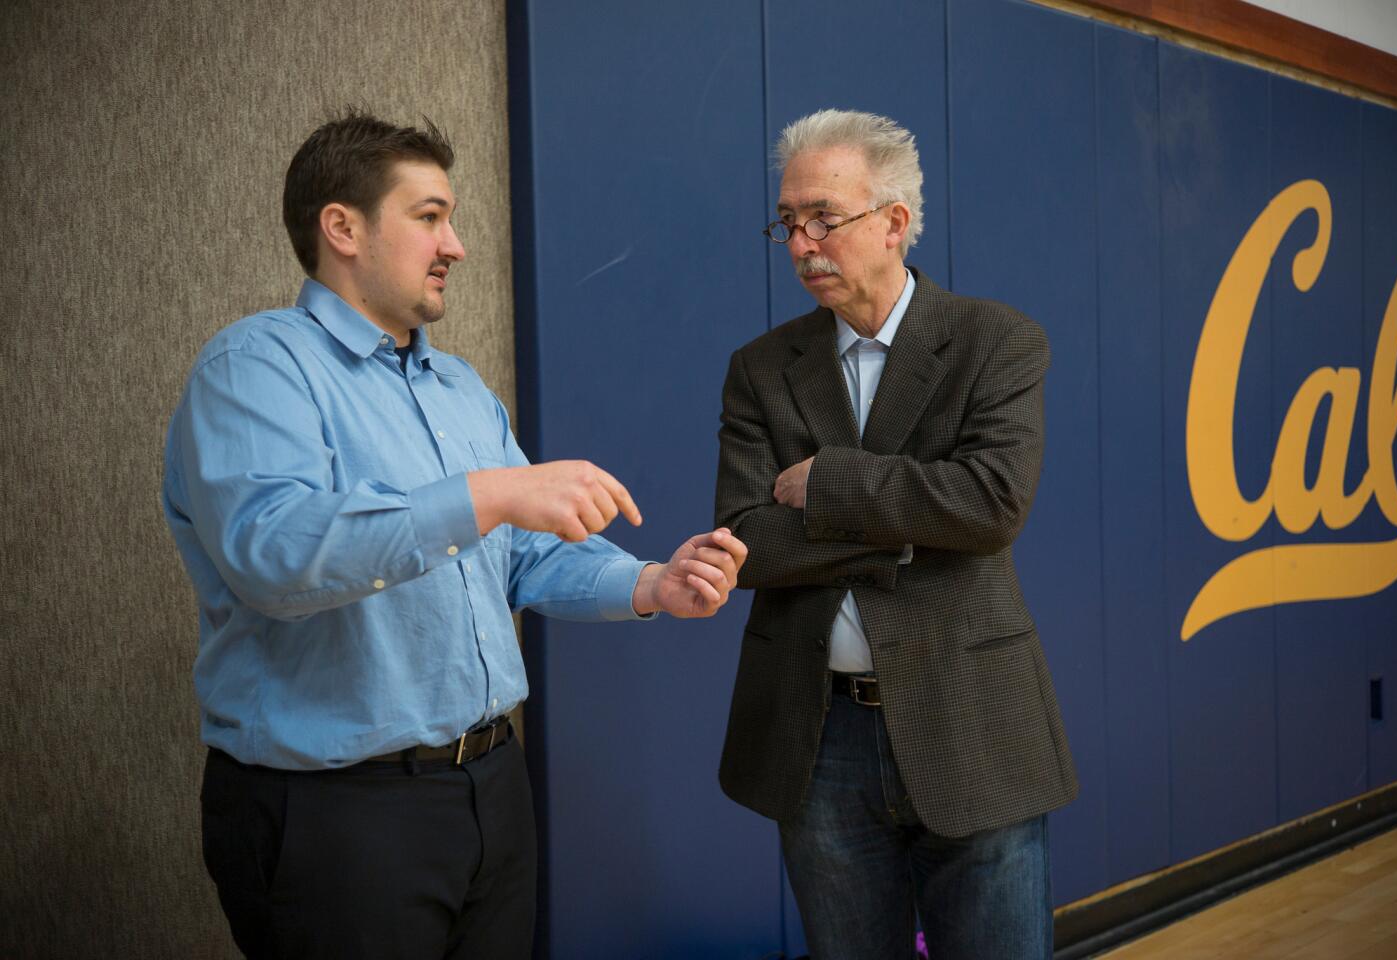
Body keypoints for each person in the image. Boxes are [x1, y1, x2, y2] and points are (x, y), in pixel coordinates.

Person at [163, 111, 747, 960]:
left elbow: (522, 555)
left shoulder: (459, 386)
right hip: (336, 814)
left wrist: (648, 584)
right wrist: (485, 494)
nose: (457, 244)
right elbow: (275, 556)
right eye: (429, 215)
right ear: (343, 228)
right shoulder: (255, 367)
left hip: (489, 792)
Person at [714, 109, 1077, 959]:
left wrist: (828, 486)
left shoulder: (996, 341)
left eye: (823, 219)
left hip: (971, 721)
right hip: (819, 737)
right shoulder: (760, 369)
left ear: (894, 223)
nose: (802, 242)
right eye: (787, 222)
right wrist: (912, 526)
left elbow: (990, 505)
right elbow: (745, 542)